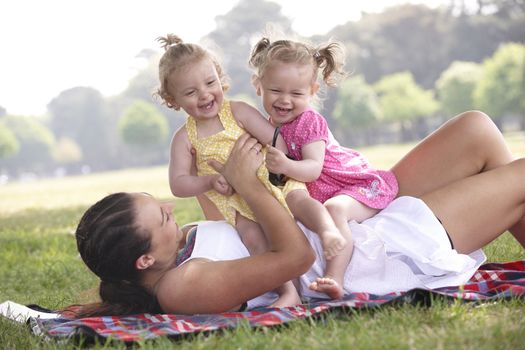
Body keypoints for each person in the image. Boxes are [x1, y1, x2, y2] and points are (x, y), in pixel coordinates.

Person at [74, 113, 525, 317]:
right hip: (369, 254)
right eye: (162, 218)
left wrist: (218, 169)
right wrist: (251, 184)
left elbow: (231, 221)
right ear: (144, 261)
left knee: (476, 129)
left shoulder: (177, 253)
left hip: (345, 219)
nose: (171, 209)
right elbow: (293, 260)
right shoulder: (181, 288)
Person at [154, 34, 347, 306]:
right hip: (235, 201)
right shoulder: (185, 138)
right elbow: (179, 184)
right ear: (172, 99)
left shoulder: (238, 112)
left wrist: (276, 161)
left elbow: (275, 138)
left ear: (220, 78)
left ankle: (328, 231)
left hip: (272, 179)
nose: (205, 94)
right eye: (190, 92)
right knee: (255, 239)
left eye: (210, 83)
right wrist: (209, 182)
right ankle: (287, 292)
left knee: (301, 200)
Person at [248, 37, 398, 299]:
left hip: (353, 184)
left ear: (312, 90)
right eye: (275, 91)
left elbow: (313, 169)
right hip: (325, 190)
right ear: (258, 86)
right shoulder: (267, 126)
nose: (285, 100)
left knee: (334, 210)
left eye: (296, 93)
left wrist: (285, 164)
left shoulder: (309, 121)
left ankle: (334, 276)